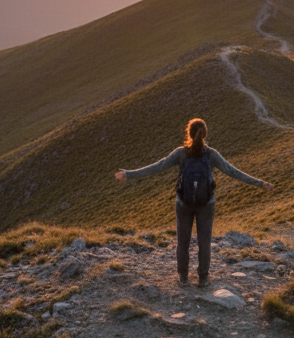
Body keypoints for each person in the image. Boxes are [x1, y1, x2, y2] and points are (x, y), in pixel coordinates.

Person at [115, 117, 274, 287]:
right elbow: (232, 171)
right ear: (205, 134)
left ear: (188, 133)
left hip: (184, 203)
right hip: (207, 204)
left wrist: (129, 174)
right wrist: (260, 183)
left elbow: (158, 166)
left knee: (182, 242)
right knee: (204, 243)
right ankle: (203, 279)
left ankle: (183, 278)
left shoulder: (181, 153)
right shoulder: (212, 154)